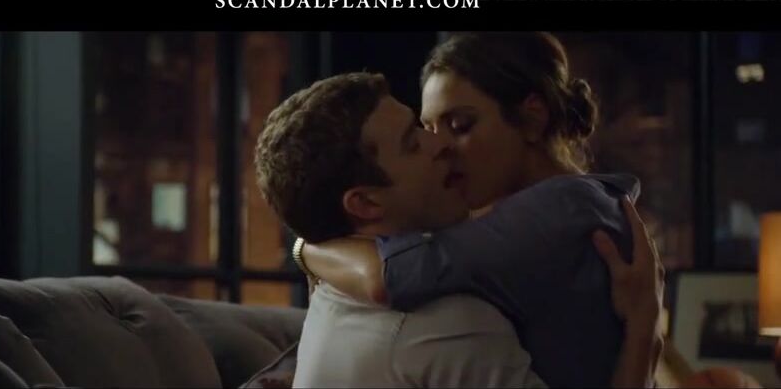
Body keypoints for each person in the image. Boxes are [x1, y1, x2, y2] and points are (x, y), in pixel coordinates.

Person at [254, 69, 663, 387]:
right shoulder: (448, 324)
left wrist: (306, 249)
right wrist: (643, 326)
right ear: (365, 203)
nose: (439, 145)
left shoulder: (332, 294)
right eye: (413, 143)